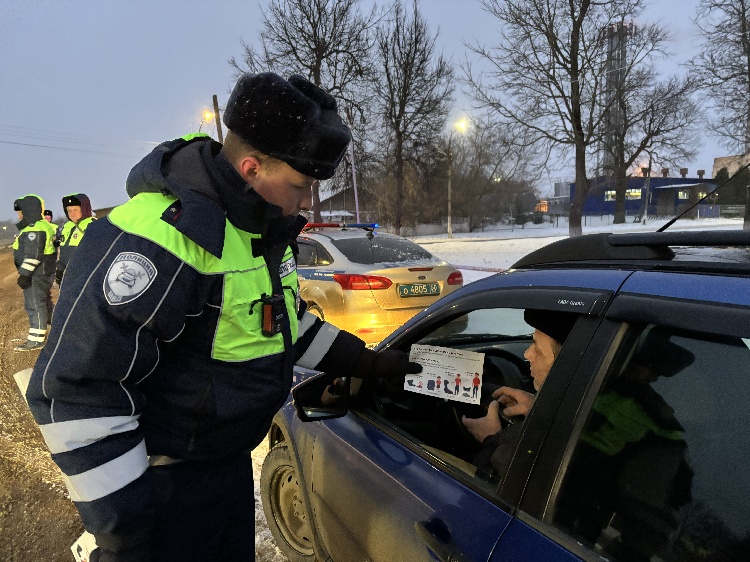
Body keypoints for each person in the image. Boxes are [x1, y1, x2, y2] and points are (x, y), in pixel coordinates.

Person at [25, 72, 421, 562]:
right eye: (301, 185)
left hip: (224, 471)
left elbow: (282, 325)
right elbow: (79, 391)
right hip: (161, 488)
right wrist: (126, 532)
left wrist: (369, 362)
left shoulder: (257, 228)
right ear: (252, 168)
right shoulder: (157, 238)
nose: (306, 202)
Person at [462, 308, 579, 479]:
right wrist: (540, 407)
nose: (527, 354)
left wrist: (491, 439)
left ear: (565, 366)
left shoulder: (522, 449)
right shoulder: (593, 405)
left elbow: (489, 482)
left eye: (538, 350)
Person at [12, 194, 57, 352]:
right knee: (44, 302)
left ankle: (36, 340)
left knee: (34, 304)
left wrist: (24, 275)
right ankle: (60, 326)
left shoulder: (34, 229)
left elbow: (33, 255)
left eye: (21, 211)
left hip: (36, 275)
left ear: (29, 210)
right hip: (42, 272)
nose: (19, 215)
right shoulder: (42, 226)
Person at [55, 193, 95, 285]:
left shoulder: (92, 225)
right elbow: (64, 252)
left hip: (85, 277)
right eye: (69, 210)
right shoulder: (67, 226)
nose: (72, 213)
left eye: (75, 210)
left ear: (84, 209)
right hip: (68, 276)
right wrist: (60, 270)